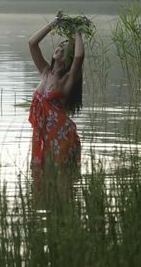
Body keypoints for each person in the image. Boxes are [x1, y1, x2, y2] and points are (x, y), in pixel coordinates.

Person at [27, 17, 83, 168]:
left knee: (61, 180)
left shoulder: (67, 80)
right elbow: (32, 44)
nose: (60, 48)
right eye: (60, 46)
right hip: (42, 137)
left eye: (65, 49)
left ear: (68, 58)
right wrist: (54, 23)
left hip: (61, 137)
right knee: (40, 177)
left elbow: (79, 57)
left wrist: (78, 31)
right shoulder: (45, 72)